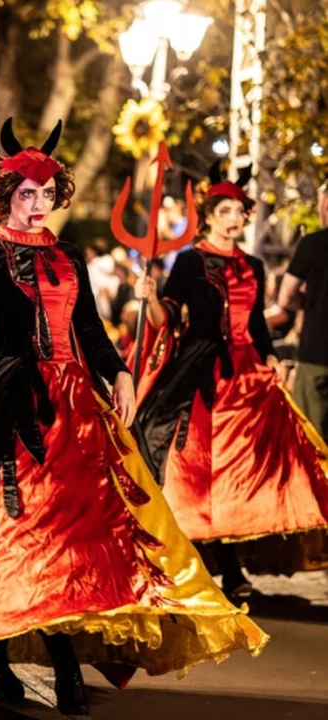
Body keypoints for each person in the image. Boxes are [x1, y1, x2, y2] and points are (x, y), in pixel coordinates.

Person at [0, 119, 266, 716]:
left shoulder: (69, 254)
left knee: (70, 537)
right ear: (5, 197)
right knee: (7, 536)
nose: (38, 203)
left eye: (47, 191)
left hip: (75, 408)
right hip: (3, 397)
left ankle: (62, 666)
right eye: (25, 193)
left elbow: (87, 327)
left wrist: (121, 374)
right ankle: (3, 659)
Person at [134, 166, 328, 600]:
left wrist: (273, 357)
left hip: (246, 375)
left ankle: (233, 565)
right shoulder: (189, 261)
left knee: (244, 470)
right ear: (208, 216)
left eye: (240, 210)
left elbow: (257, 322)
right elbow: (168, 318)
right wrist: (149, 300)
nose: (235, 217)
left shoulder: (254, 265)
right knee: (194, 469)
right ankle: (207, 563)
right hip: (198, 372)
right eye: (226, 210)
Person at [278, 179, 328, 437]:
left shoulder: (313, 243)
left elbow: (285, 297)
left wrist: (306, 304)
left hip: (316, 354)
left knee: (309, 439)